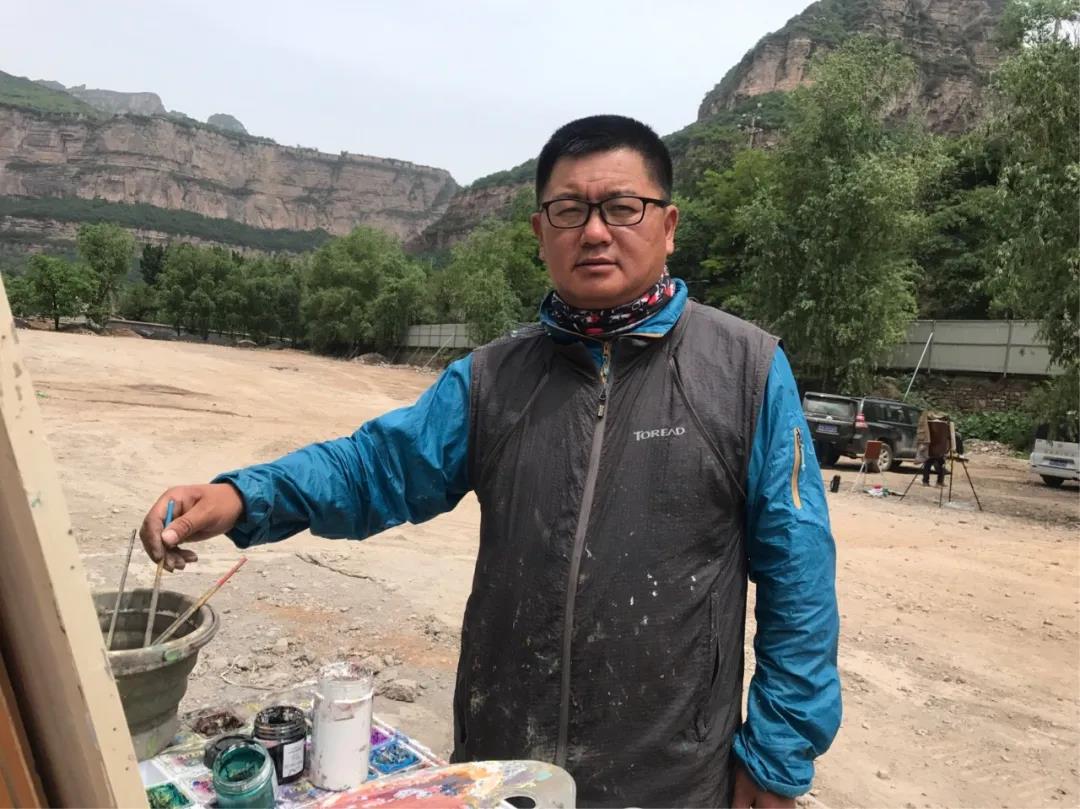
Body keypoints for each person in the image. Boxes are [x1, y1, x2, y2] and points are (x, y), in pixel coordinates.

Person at [140, 115, 841, 807]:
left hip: (671, 782)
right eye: (569, 210)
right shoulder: (492, 379)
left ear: (668, 224)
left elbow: (798, 579)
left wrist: (776, 760)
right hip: (503, 771)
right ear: (541, 232)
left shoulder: (744, 371)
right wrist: (244, 496)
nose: (595, 231)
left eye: (623, 207)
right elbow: (375, 467)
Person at [916, 409, 950, 486]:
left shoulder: (929, 423)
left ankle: (928, 481)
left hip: (932, 447)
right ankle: (936, 482)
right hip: (937, 448)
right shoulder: (942, 425)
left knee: (931, 464)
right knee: (937, 464)